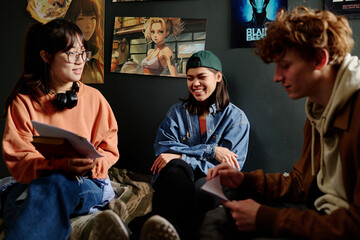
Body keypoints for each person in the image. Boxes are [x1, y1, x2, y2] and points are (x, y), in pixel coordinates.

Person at [201, 6, 360, 240]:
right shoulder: (319, 108)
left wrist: (265, 218)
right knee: (223, 208)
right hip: (319, 211)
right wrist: (244, 180)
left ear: (319, 58)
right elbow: (301, 183)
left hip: (338, 224)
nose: (276, 77)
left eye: (285, 66)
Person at [1, 19, 128, 240]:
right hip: (38, 180)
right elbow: (20, 158)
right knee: (17, 199)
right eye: (71, 54)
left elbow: (109, 149)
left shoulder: (95, 99)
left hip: (85, 182)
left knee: (53, 185)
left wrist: (96, 163)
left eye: (83, 53)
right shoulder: (23, 102)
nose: (80, 62)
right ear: (46, 56)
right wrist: (61, 164)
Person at [133, 50, 250, 240]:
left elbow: (228, 168)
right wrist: (210, 150)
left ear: (218, 76)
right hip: (177, 179)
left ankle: (143, 228)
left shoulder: (236, 119)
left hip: (210, 182)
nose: (195, 83)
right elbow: (163, 149)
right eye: (189, 78)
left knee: (201, 186)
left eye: (201, 77)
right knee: (175, 170)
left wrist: (182, 156)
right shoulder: (177, 112)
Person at [64, 0, 104, 84]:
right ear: (71, 21)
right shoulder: (66, 55)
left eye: (93, 18)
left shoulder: (95, 52)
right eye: (81, 18)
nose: (89, 25)